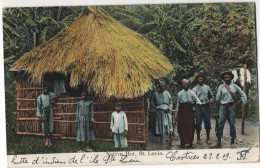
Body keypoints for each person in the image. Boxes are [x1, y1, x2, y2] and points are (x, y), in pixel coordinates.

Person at [211, 72, 247, 148]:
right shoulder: (221, 87)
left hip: (231, 107)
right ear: (223, 78)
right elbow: (217, 99)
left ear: (231, 78)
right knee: (220, 124)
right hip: (222, 107)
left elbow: (243, 94)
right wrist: (217, 111)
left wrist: (240, 102)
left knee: (232, 124)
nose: (227, 79)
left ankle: (232, 142)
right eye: (226, 77)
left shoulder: (235, 86)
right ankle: (218, 142)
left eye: (228, 77)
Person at [176, 79, 201, 148]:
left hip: (189, 111)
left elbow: (198, 100)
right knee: (182, 127)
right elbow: (178, 104)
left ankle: (190, 143)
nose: (185, 85)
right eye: (184, 84)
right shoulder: (180, 93)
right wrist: (176, 114)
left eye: (187, 84)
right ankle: (183, 143)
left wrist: (194, 107)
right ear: (182, 85)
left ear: (188, 84)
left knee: (190, 127)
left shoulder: (192, 92)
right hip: (182, 111)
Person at [150, 80, 174, 147]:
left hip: (166, 111)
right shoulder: (155, 94)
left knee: (169, 125)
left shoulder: (167, 93)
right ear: (158, 87)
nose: (161, 87)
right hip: (159, 111)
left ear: (165, 86)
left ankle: (170, 140)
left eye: (163, 86)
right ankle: (161, 139)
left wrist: (168, 108)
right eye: (160, 86)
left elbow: (171, 102)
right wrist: (156, 108)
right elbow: (152, 102)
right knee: (160, 125)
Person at [192, 74, 214, 145]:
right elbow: (192, 99)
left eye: (202, 79)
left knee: (207, 122)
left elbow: (212, 96)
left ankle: (208, 138)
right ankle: (198, 138)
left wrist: (210, 101)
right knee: (198, 123)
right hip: (198, 106)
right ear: (197, 80)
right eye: (199, 79)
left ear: (204, 80)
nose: (201, 80)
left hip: (206, 106)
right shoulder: (194, 89)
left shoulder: (207, 87)